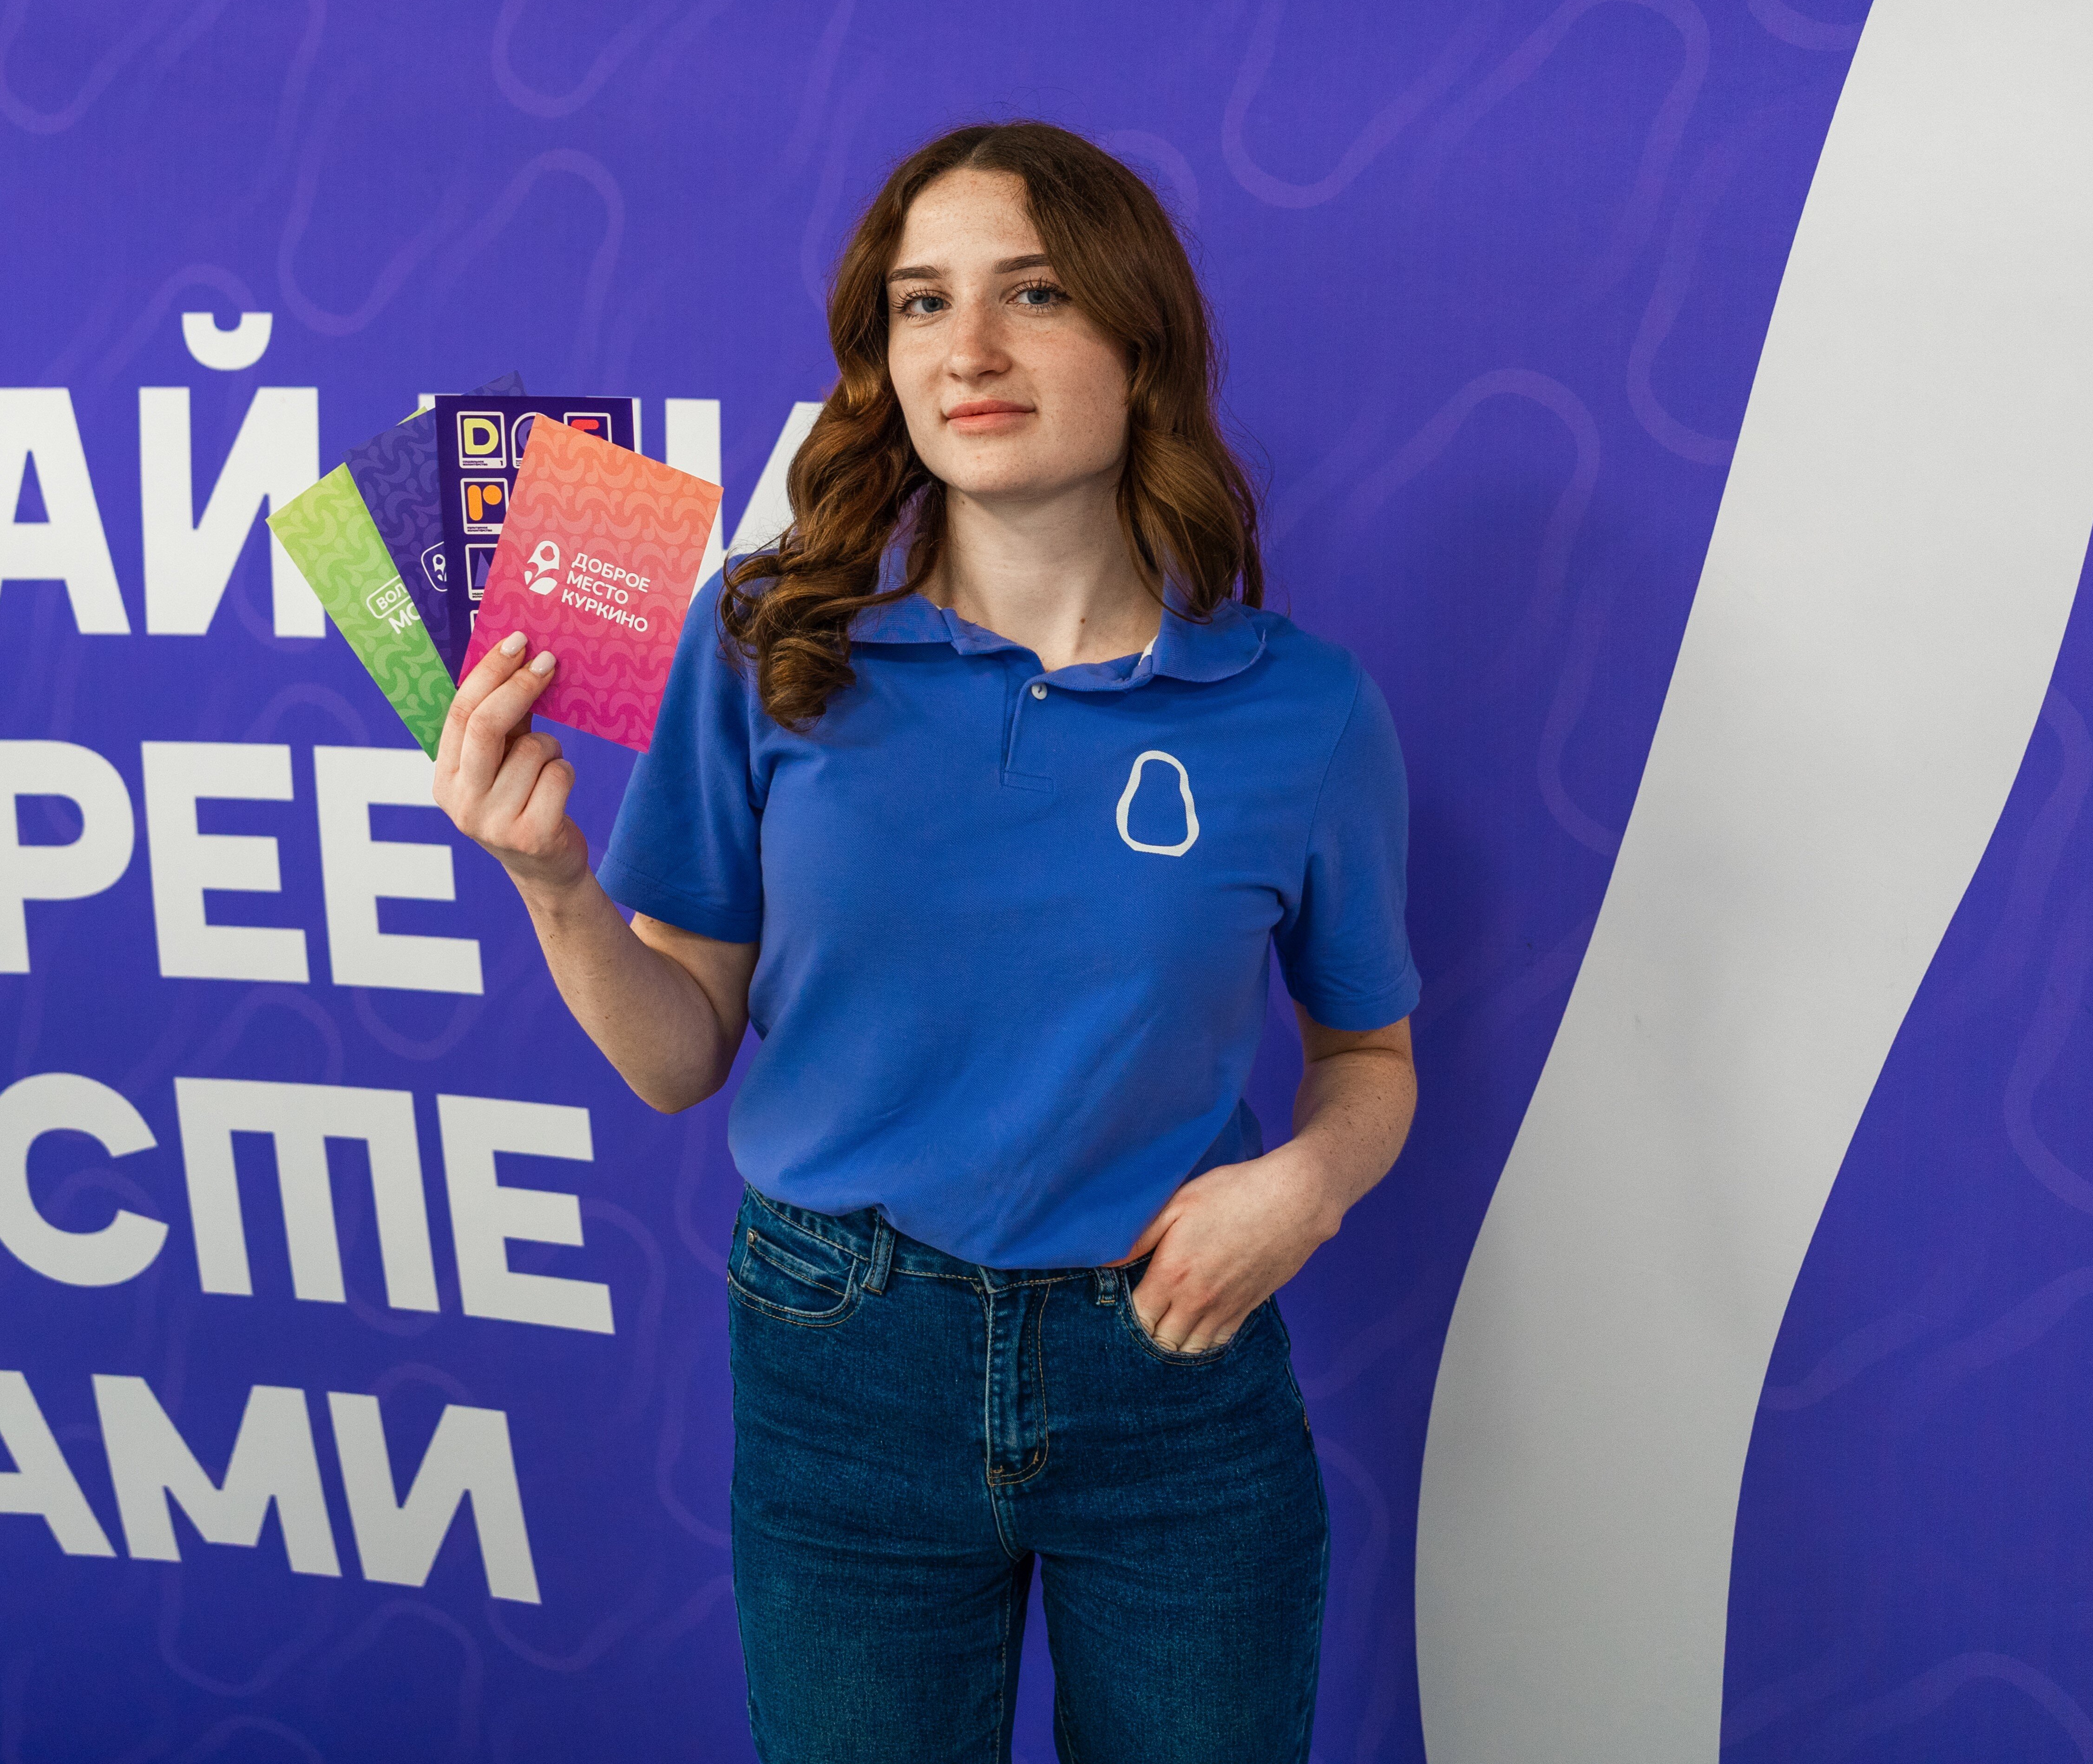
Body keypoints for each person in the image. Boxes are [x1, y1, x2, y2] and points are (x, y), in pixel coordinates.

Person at [432, 121, 1419, 1763]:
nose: (966, 350)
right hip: (843, 1363)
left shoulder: (1301, 710)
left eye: (1032, 293)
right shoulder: (767, 652)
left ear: (1138, 343)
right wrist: (551, 882)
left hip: (1170, 1365)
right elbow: (678, 1060)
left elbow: (1369, 1057)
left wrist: (1303, 1187)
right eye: (919, 303)